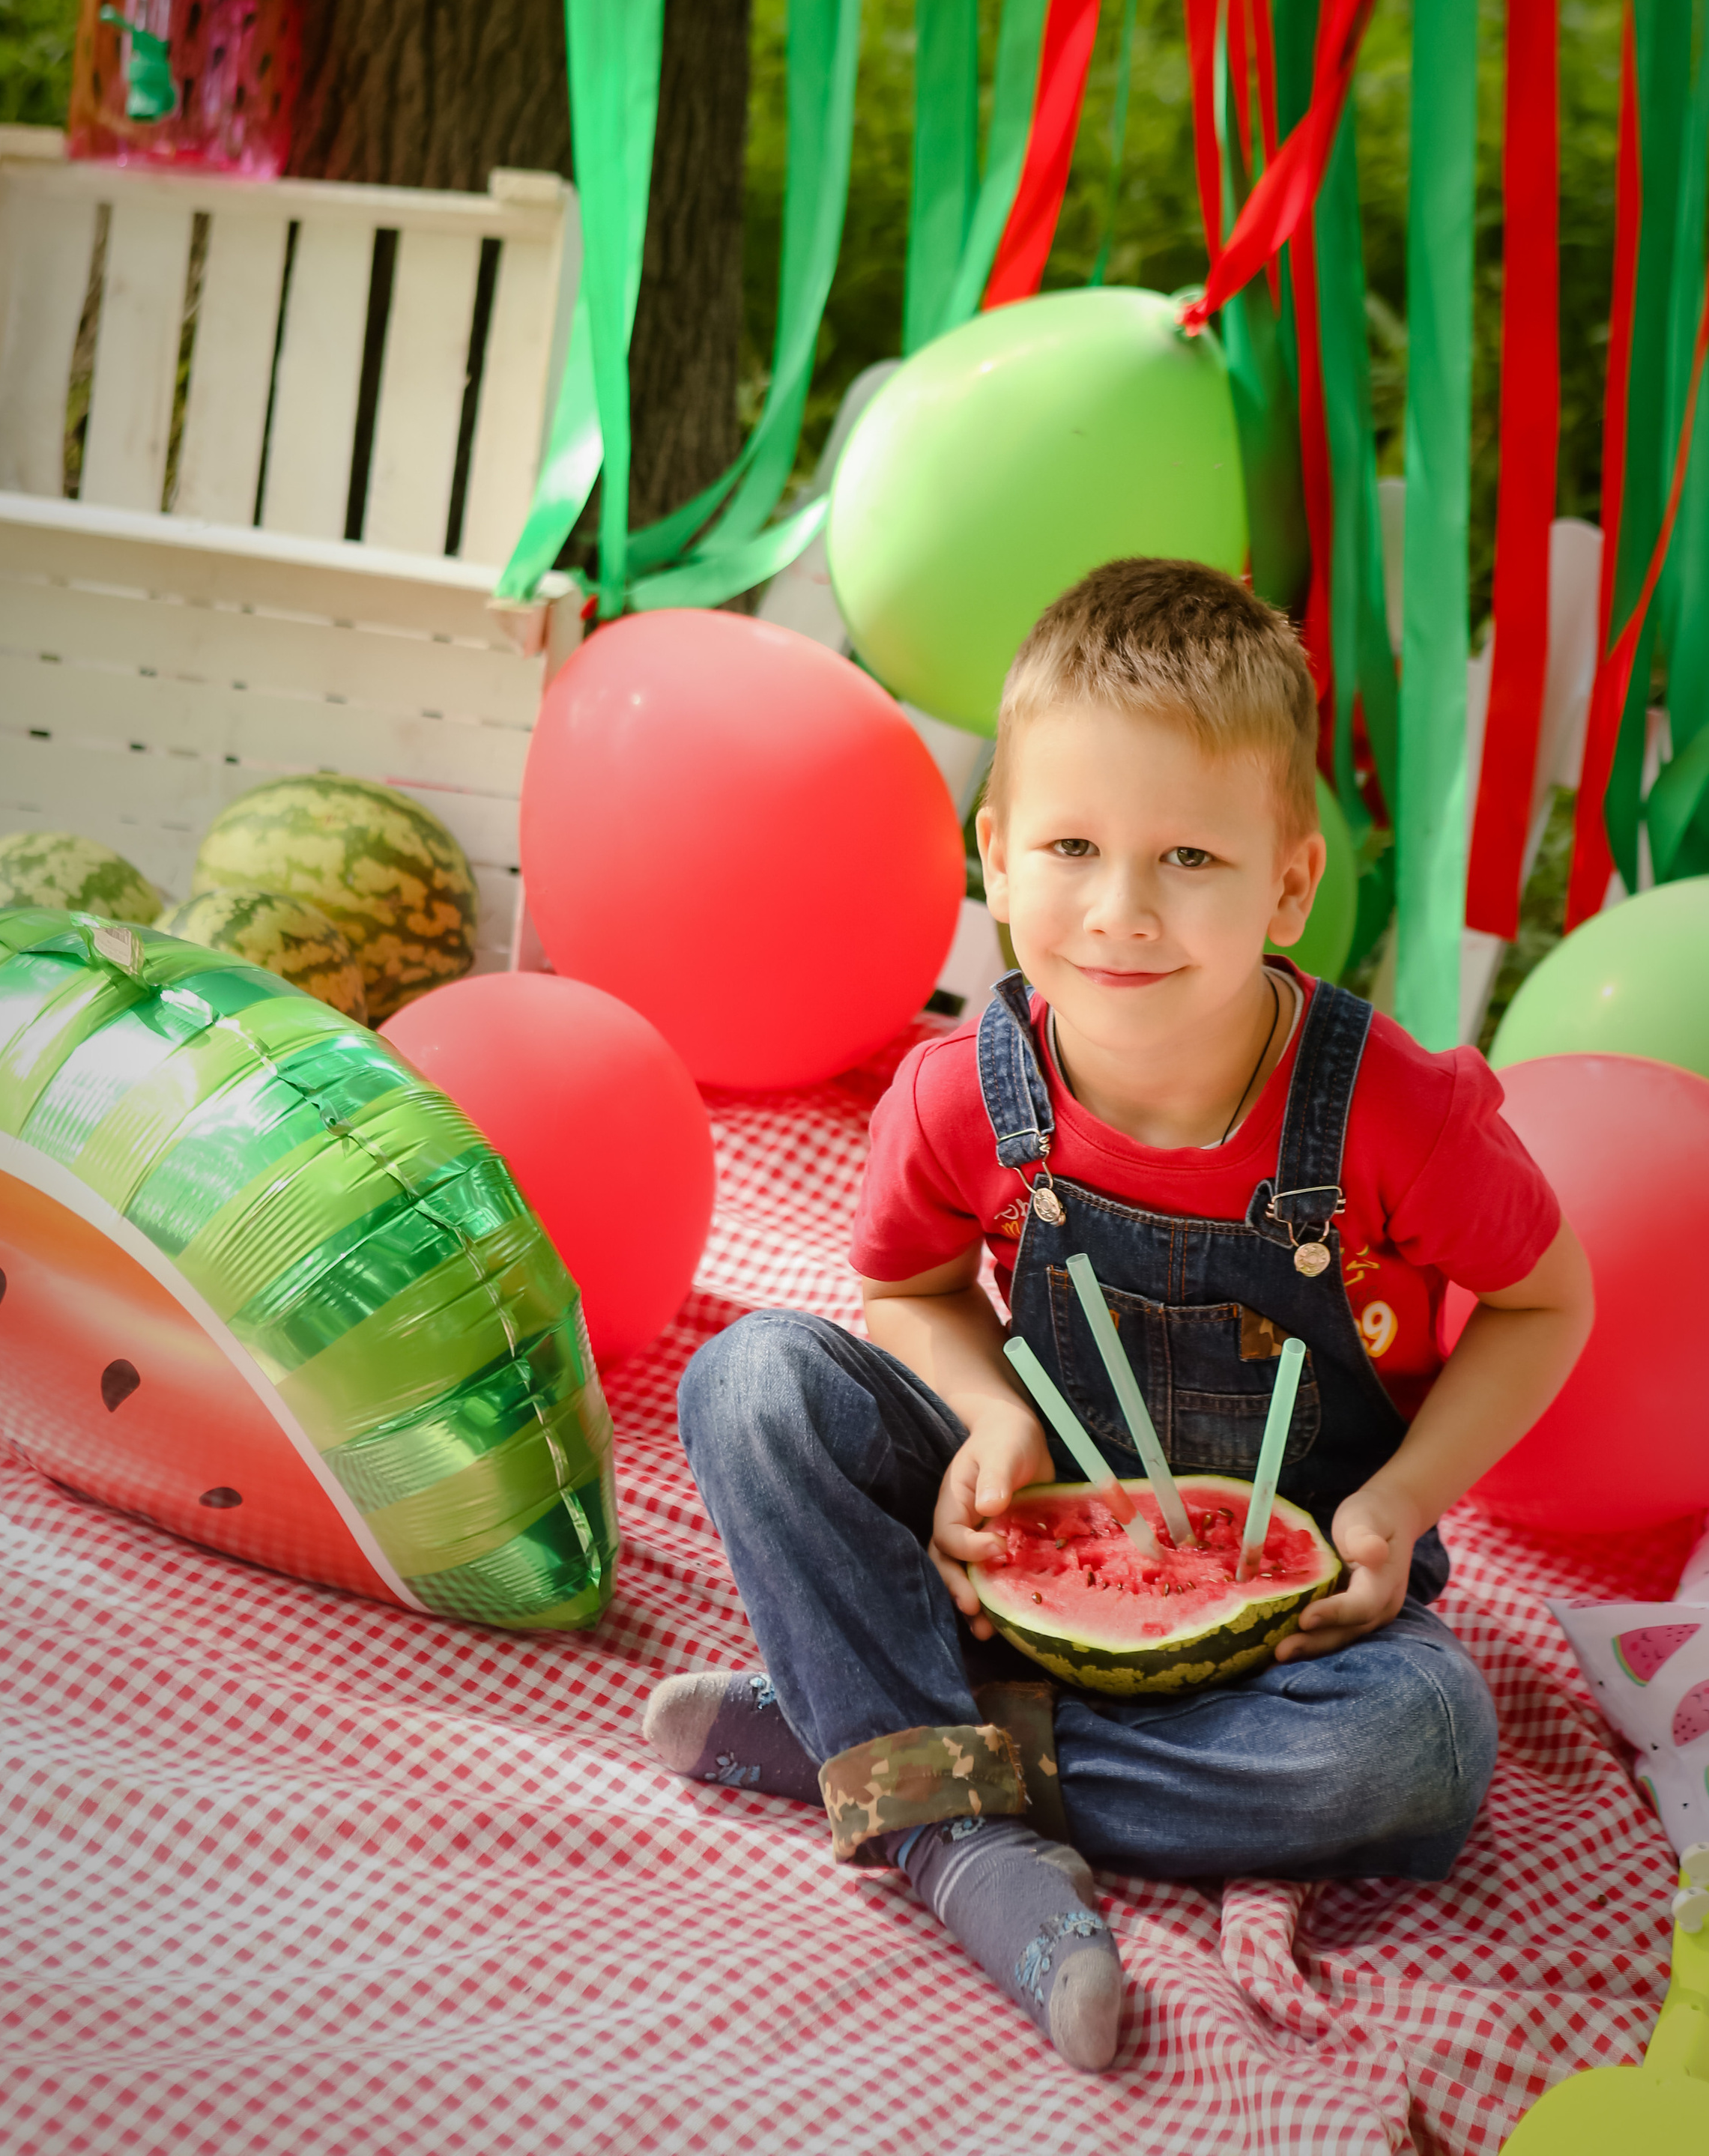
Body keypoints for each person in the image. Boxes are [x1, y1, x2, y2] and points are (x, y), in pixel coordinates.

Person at [645, 557, 1592, 2071]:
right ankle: (957, 1833)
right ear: (997, 860)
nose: (1121, 911)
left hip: (1291, 1628)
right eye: (1072, 848)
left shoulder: (1389, 1113)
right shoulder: (964, 1088)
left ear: (1289, 880)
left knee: (1422, 1749)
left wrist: (1401, 1503)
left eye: (1189, 861)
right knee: (751, 1381)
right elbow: (903, 1287)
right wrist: (986, 1410)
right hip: (1032, 1523)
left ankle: (881, 1740)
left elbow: (1548, 1299)